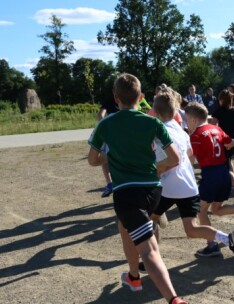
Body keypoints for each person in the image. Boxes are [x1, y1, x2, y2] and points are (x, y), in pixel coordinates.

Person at [87, 73, 186, 303]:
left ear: (115, 98)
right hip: (153, 191)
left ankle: (174, 300)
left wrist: (111, 154)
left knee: (149, 250)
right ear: (140, 97)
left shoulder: (106, 124)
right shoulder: (151, 121)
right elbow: (174, 158)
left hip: (127, 194)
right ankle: (133, 276)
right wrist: (153, 165)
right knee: (124, 226)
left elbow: (93, 160)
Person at [149, 94, 234, 266]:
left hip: (172, 185)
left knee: (150, 218)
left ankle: (152, 258)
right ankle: (228, 238)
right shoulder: (181, 131)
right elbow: (191, 154)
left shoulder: (165, 131)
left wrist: (155, 170)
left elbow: (173, 160)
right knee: (193, 228)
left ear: (155, 112)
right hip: (191, 185)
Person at [185, 102, 234, 259]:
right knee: (216, 209)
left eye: (186, 119)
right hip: (224, 172)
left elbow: (189, 160)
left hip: (210, 175)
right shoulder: (216, 129)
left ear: (193, 119)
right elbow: (231, 143)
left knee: (202, 210)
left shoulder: (195, 136)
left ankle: (212, 245)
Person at [96, 97, 119, 198]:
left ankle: (110, 184)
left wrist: (105, 126)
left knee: (104, 160)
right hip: (126, 134)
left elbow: (100, 115)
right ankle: (112, 184)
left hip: (111, 135)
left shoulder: (109, 100)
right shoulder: (129, 98)